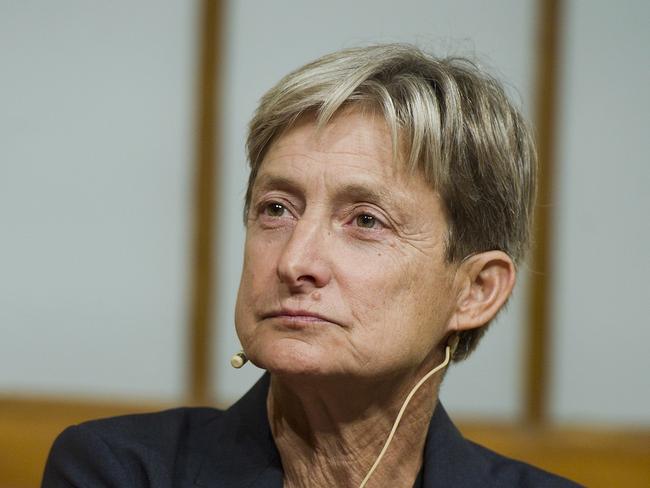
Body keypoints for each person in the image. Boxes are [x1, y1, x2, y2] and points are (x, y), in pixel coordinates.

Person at [42, 44, 580, 487]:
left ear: (476, 291)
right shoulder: (118, 470)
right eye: (276, 209)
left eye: (366, 221)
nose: (295, 261)